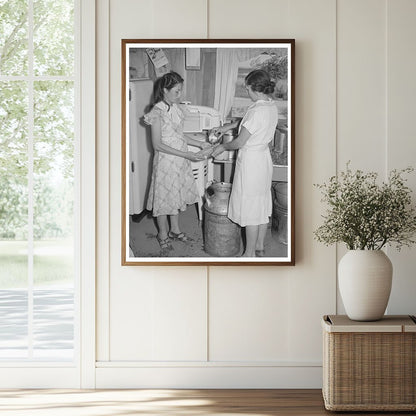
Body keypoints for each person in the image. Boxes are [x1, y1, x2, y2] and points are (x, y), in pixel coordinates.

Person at [210, 69, 278, 257]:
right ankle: (259, 247)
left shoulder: (257, 111)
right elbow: (246, 123)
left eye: (248, 90)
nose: (247, 93)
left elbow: (239, 142)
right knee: (261, 204)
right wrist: (226, 127)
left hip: (251, 163)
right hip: (263, 159)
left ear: (255, 90)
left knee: (250, 209)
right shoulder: (270, 105)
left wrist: (223, 147)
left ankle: (249, 254)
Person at [144, 71, 212, 252]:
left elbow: (179, 136)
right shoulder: (156, 112)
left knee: (175, 196)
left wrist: (199, 143)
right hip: (167, 162)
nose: (180, 95)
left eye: (181, 90)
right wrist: (186, 155)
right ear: (165, 90)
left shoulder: (176, 108)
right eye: (176, 91)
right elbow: (157, 145)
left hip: (180, 160)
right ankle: (162, 234)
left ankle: (175, 230)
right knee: (164, 199)